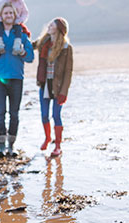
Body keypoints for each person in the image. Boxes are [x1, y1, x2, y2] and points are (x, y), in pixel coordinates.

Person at [0, 2, 34, 160]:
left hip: (17, 78)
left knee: (14, 114)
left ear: (15, 15)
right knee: (0, 114)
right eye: (6, 13)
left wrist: (23, 51)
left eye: (11, 13)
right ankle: (1, 147)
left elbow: (31, 57)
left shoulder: (22, 36)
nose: (8, 16)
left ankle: (12, 146)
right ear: (1, 16)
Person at [33, 17, 73, 157]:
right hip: (45, 84)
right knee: (44, 115)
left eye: (53, 24)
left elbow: (68, 72)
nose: (49, 25)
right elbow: (29, 45)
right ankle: (47, 138)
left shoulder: (66, 48)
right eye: (49, 24)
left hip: (58, 87)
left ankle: (57, 146)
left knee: (56, 115)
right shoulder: (43, 43)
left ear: (59, 29)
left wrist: (64, 92)